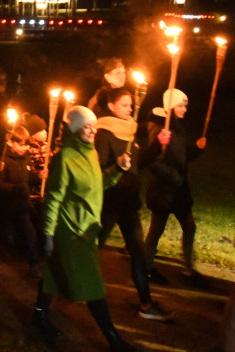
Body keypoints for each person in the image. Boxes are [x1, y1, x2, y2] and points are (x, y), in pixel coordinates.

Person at [33, 106, 135, 352]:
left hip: (89, 229)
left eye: (93, 127)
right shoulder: (64, 157)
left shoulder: (91, 155)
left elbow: (98, 184)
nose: (91, 131)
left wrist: (118, 170)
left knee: (55, 275)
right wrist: (47, 234)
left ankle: (38, 317)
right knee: (92, 284)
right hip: (70, 231)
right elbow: (54, 198)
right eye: (86, 127)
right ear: (74, 129)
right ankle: (113, 339)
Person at [95, 87, 173, 321]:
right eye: (124, 104)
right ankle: (71, 287)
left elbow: (139, 163)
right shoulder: (104, 132)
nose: (130, 108)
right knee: (91, 249)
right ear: (111, 106)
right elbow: (97, 170)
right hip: (108, 201)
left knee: (138, 253)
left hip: (128, 203)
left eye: (131, 104)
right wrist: (116, 165)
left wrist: (159, 145)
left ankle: (146, 304)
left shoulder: (130, 130)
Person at [142, 88, 206, 287]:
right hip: (164, 191)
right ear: (170, 106)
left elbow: (181, 155)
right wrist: (173, 176)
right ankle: (145, 269)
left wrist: (197, 149)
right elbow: (154, 161)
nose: (184, 109)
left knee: (189, 226)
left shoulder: (177, 127)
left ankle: (188, 268)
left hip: (178, 192)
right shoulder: (160, 128)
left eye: (185, 105)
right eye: (180, 105)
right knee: (156, 231)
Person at [0, 124, 40, 276]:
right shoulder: (4, 161)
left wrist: (39, 177)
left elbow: (28, 178)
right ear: (11, 143)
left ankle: (34, 265)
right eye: (21, 144)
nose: (24, 148)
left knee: (29, 234)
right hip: (5, 206)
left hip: (21, 206)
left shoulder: (26, 160)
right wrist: (17, 188)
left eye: (26, 144)